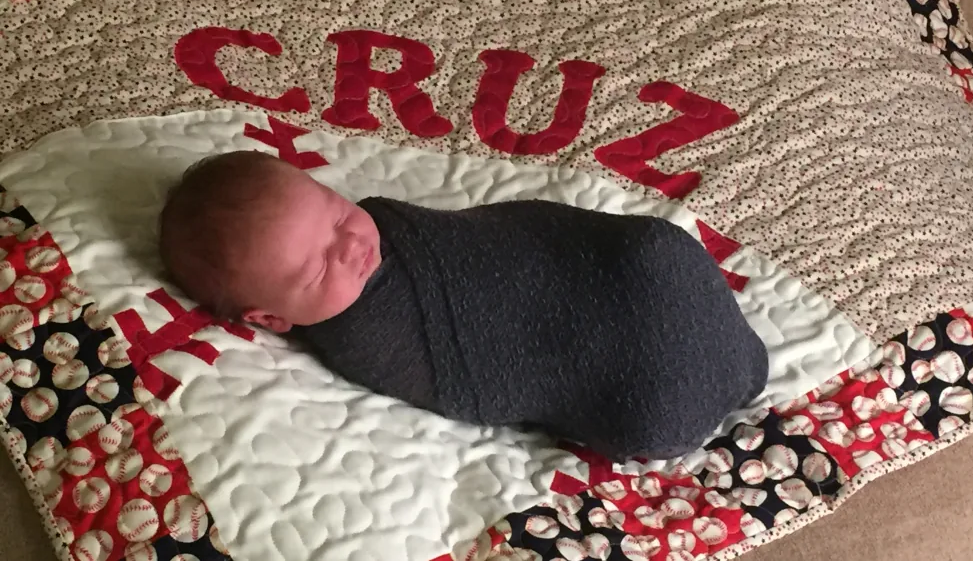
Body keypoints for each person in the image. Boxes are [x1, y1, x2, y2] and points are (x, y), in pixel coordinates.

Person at [159, 150, 768, 461]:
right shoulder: (363, 338)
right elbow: (476, 378)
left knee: (654, 248)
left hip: (630, 271)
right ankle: (729, 370)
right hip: (650, 393)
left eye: (339, 211)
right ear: (270, 321)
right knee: (647, 406)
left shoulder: (384, 230)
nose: (350, 244)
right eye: (317, 267)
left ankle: (734, 359)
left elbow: (499, 237)